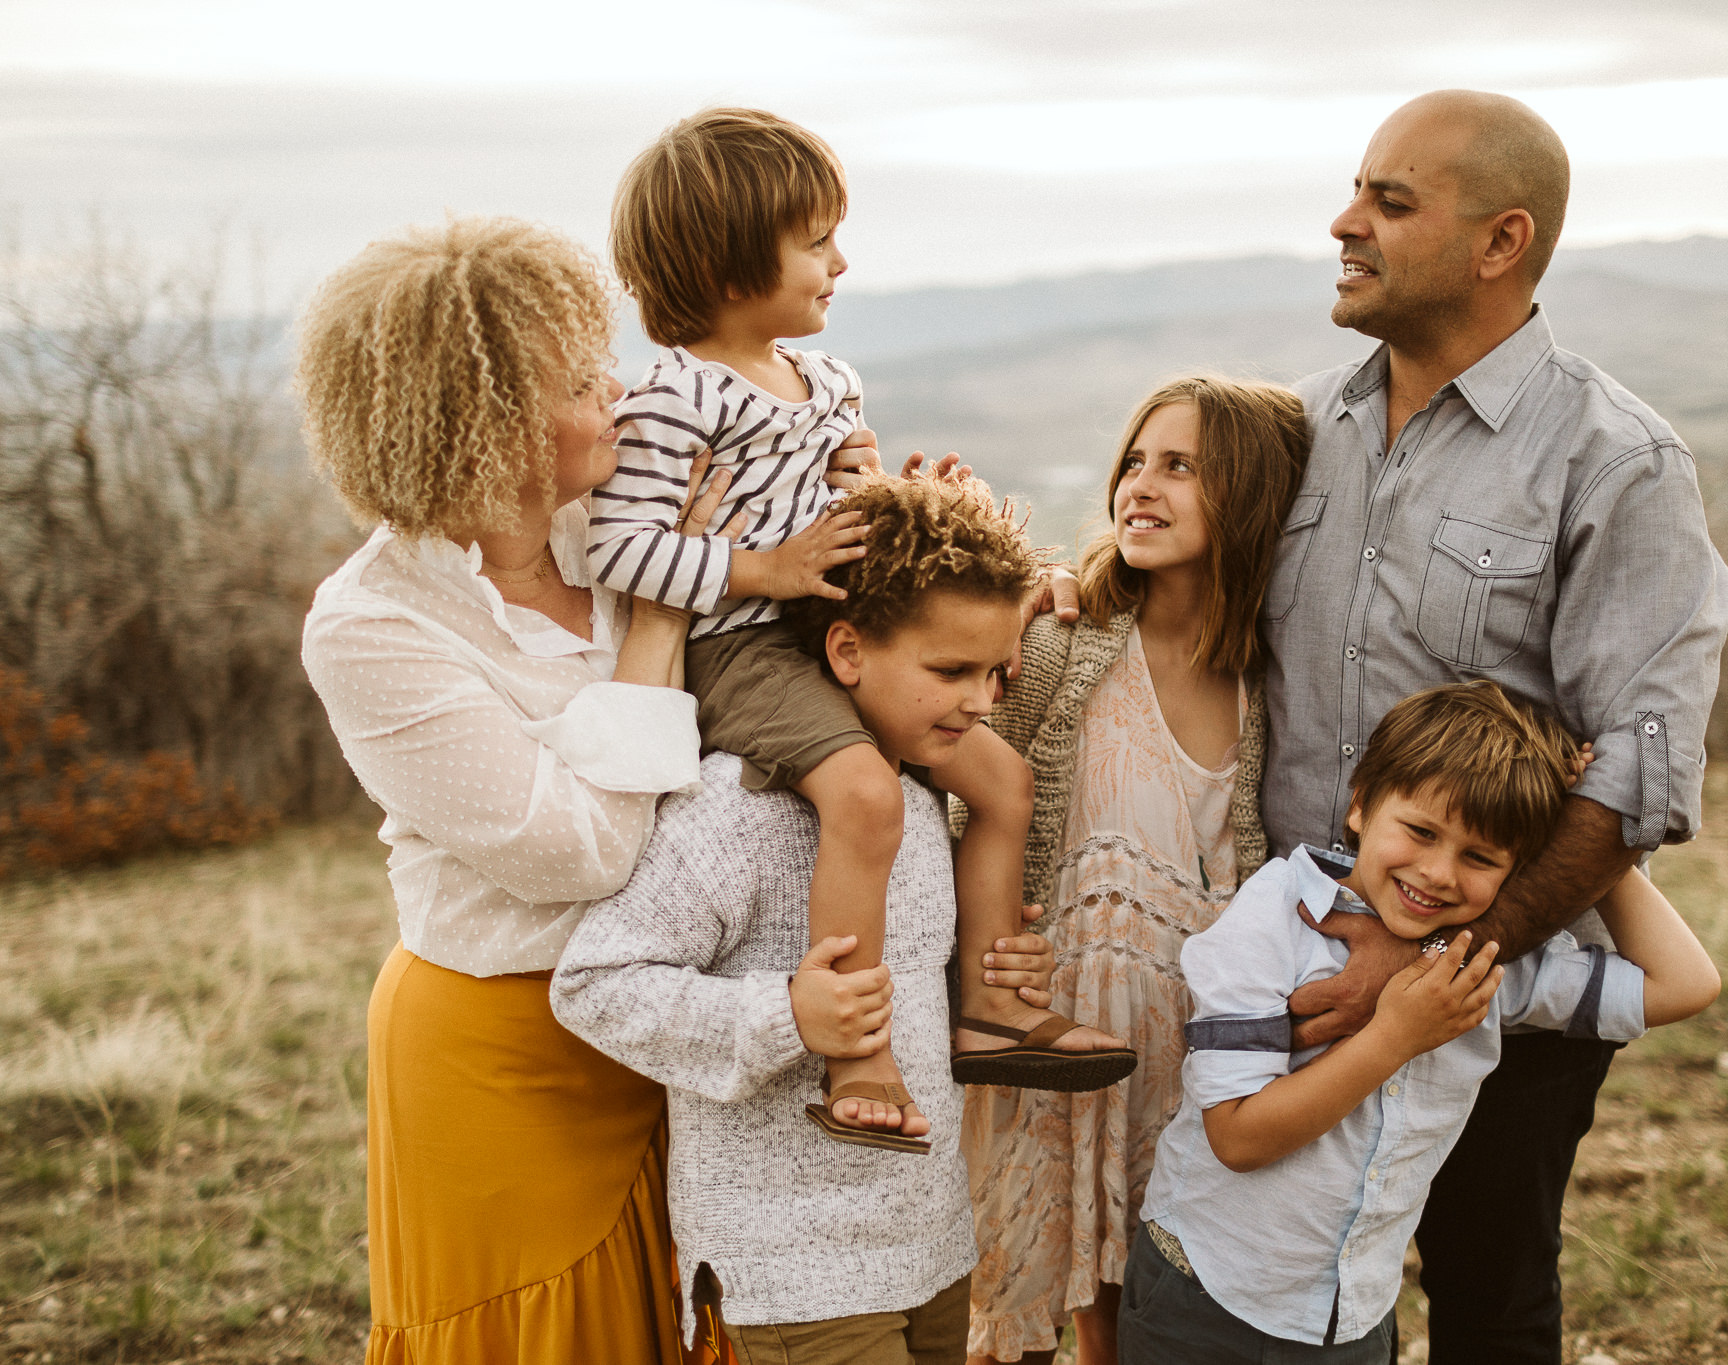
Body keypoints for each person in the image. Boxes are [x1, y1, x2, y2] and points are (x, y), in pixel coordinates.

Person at [1261, 90, 1728, 1364]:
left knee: (1490, 1303)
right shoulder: (1295, 428)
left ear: (1499, 241)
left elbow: (1634, 775)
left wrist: (1431, 974)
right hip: (1282, 977)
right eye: (1357, 190)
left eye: (1388, 202)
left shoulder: (1616, 462)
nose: (1342, 222)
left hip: (1497, 1006)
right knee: (1277, 1301)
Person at [590, 109, 1129, 1151]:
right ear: (727, 261)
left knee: (1002, 781)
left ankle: (989, 1003)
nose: (840, 261)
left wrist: (900, 507)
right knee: (864, 792)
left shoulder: (829, 383)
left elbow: (848, 516)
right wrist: (765, 570)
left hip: (835, 625)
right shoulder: (674, 396)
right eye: (814, 241)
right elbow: (623, 549)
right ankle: (854, 1049)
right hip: (741, 644)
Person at [298, 217, 714, 1362]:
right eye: (585, 381)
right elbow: (580, 853)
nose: (619, 393)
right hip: (503, 1049)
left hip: (679, 1029)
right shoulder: (373, 624)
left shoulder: (624, 530)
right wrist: (665, 623)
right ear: (493, 428)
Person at [553, 474, 1051, 1364]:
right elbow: (594, 985)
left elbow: (906, 982)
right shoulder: (732, 808)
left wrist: (986, 982)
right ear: (848, 652)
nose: (982, 701)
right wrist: (790, 1015)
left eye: (993, 673)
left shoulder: (920, 797)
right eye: (950, 671)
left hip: (931, 1244)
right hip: (791, 1277)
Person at [1121, 682, 1721, 1363]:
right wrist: (1393, 1036)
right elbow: (1237, 1136)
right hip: (1208, 1302)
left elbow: (1687, 983)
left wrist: (1589, 839)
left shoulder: (1477, 963)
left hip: (1351, 1319)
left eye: (1481, 857)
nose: (1437, 872)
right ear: (1361, 804)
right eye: (1421, 831)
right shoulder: (1278, 919)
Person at [958, 376, 1310, 1365]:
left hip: (1192, 1053)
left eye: (1181, 467)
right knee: (1010, 1317)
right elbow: (958, 808)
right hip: (1052, 1029)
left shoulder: (1273, 678)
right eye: (1135, 462)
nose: (1139, 487)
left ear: (1247, 496)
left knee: (1135, 1321)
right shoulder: (1057, 642)